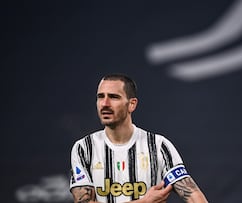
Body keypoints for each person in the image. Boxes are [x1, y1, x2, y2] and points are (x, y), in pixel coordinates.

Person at [69, 73, 208, 203]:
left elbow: (193, 194)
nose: (104, 104)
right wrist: (144, 201)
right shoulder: (84, 148)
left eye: (113, 97)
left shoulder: (159, 145)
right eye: (100, 96)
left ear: (132, 104)